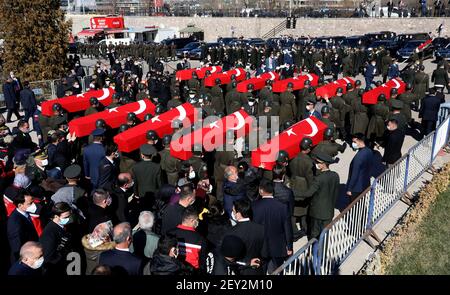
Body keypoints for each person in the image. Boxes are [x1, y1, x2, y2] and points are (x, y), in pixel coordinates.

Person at [252, 179, 293, 274]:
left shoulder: (254, 206)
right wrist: (289, 247)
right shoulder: (283, 206)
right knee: (277, 271)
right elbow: (287, 228)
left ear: (261, 191)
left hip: (260, 247)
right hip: (278, 247)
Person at [296, 153, 340, 240]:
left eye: (318, 162)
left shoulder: (318, 179)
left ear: (323, 164)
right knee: (325, 235)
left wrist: (293, 192)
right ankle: (322, 252)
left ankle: (314, 252)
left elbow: (307, 194)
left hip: (317, 213)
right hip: (329, 212)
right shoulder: (335, 175)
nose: (316, 163)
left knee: (314, 235)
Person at [224, 198, 265, 275]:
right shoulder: (261, 229)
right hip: (257, 270)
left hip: (239, 271)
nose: (232, 213)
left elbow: (228, 259)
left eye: (233, 211)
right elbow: (265, 253)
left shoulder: (231, 232)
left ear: (238, 214)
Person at [168, 206, 208, 272]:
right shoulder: (201, 239)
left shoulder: (170, 234)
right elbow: (202, 262)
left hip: (173, 270)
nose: (198, 223)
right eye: (197, 220)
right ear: (192, 221)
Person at [39, 202, 73, 275]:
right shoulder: (49, 233)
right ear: (56, 216)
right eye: (66, 217)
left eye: (69, 216)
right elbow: (49, 257)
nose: (68, 219)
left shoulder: (62, 225)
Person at [7, 190, 39, 262]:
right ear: (20, 205)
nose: (33, 205)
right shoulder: (15, 222)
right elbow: (16, 246)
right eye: (30, 203)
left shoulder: (26, 213)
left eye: (33, 202)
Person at [131, 144, 162, 210]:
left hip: (141, 194)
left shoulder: (135, 167)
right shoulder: (157, 167)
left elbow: (135, 182)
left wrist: (136, 194)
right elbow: (159, 183)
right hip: (154, 194)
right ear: (151, 155)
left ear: (142, 155)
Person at [346, 133, 373, 203]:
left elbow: (354, 174)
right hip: (365, 183)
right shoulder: (369, 151)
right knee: (360, 203)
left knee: (354, 206)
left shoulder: (359, 157)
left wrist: (349, 189)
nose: (353, 144)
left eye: (354, 142)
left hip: (356, 188)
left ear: (360, 141)